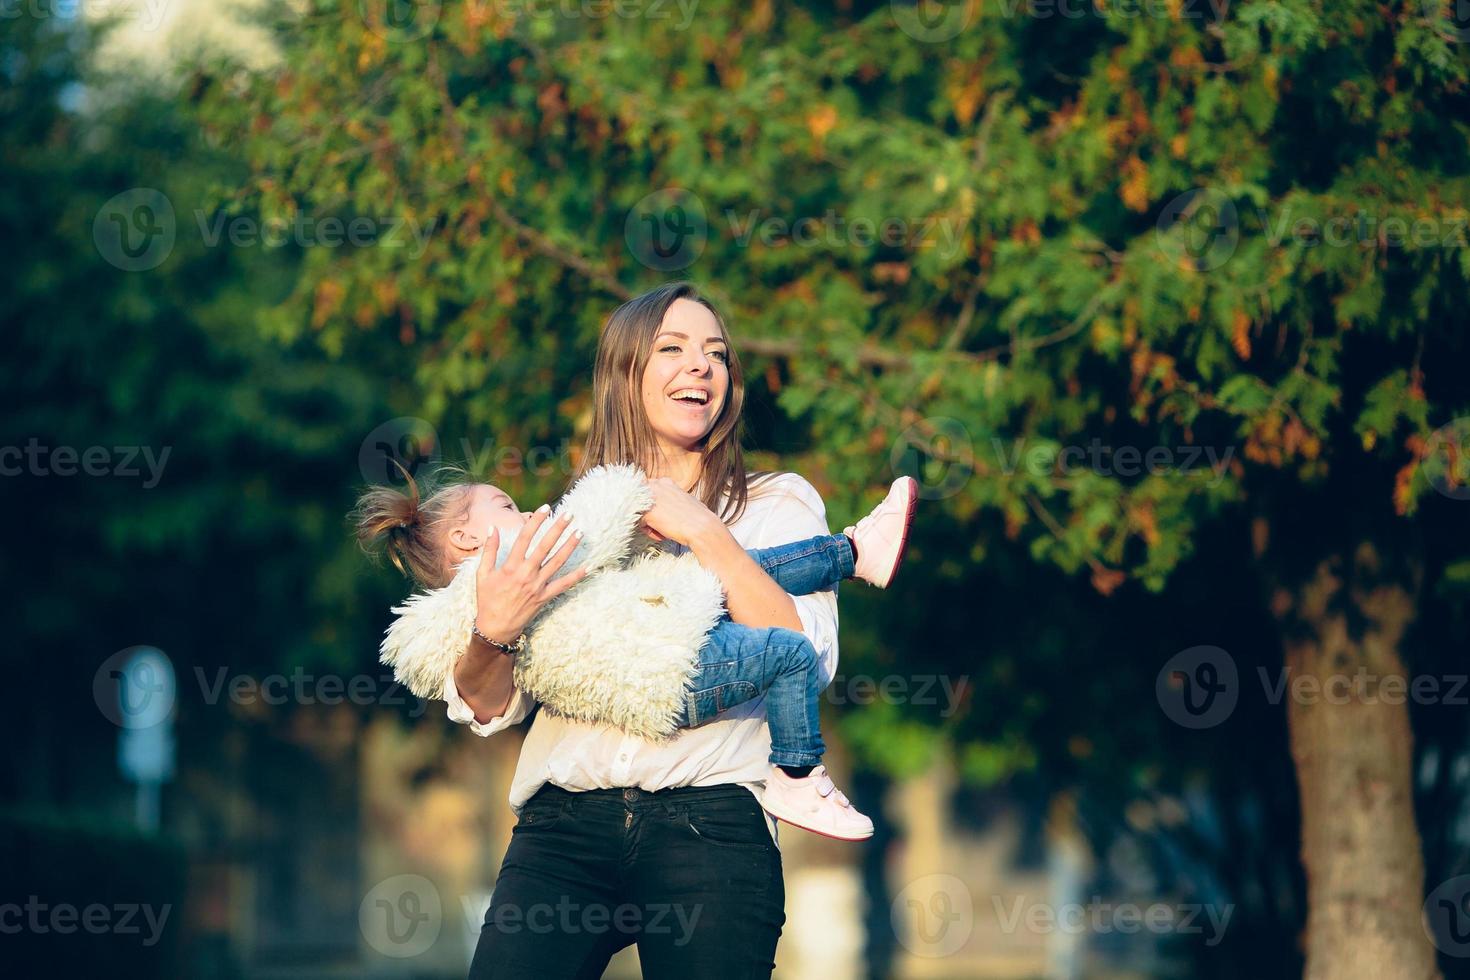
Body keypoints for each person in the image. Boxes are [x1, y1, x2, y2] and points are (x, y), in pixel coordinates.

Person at [435, 281, 878, 977]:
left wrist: (706, 533)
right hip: (563, 831)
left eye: (716, 354)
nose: (701, 365)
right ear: (625, 374)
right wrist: (492, 631)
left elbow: (808, 654)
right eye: (672, 348)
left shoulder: (779, 502)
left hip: (712, 827)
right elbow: (489, 703)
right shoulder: (575, 518)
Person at [356, 465, 918, 840]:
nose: (528, 510)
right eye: (505, 504)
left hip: (684, 699)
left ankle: (855, 550)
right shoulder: (511, 571)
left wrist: (697, 529)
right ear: (467, 540)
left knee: (734, 571)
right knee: (787, 651)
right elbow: (461, 682)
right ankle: (796, 776)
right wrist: (634, 493)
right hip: (656, 685)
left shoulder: (778, 495)